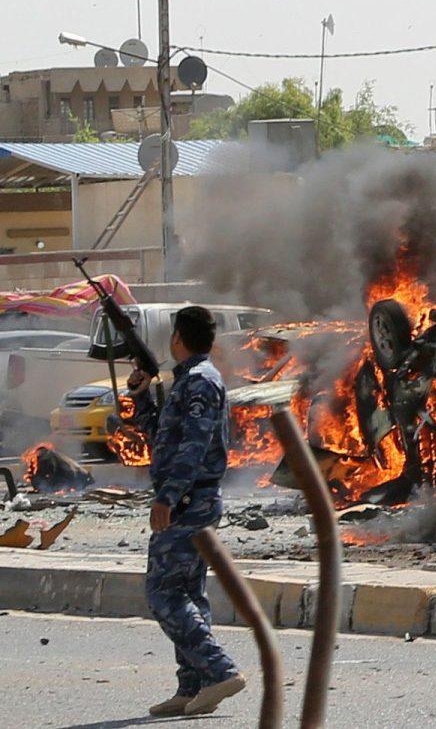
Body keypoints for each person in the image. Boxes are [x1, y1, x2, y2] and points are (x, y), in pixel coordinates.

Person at [124, 305, 247, 717]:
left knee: (162, 593)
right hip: (192, 499)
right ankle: (191, 687)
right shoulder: (190, 381)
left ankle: (220, 670)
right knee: (188, 594)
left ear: (178, 337)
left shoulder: (199, 382)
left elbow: (194, 445)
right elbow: (165, 436)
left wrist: (169, 497)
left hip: (188, 502)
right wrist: (141, 401)